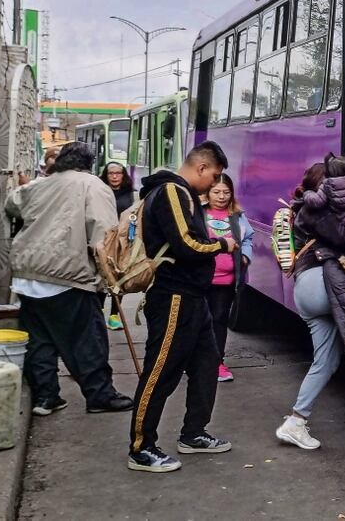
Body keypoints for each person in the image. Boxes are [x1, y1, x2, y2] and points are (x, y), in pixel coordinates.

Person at [127, 141, 238, 474]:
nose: (215, 184)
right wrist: (222, 244)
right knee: (161, 371)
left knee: (206, 364)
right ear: (202, 168)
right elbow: (185, 244)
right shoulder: (174, 192)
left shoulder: (178, 193)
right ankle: (141, 447)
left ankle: (193, 434)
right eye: (214, 175)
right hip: (174, 296)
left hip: (193, 297)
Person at [6, 142, 134, 417]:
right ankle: (99, 395)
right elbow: (103, 233)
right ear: (89, 163)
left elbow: (12, 203)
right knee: (87, 339)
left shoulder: (40, 184)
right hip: (68, 274)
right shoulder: (92, 185)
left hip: (29, 273)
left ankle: (46, 396)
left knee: (40, 340)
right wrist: (111, 273)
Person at [276, 157, 345, 451]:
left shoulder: (307, 208)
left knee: (326, 361)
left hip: (307, 292)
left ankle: (295, 421)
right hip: (319, 283)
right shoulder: (315, 211)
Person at [203, 173, 254, 383]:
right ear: (207, 193)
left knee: (219, 321)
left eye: (226, 192)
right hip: (201, 280)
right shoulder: (198, 213)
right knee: (197, 322)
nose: (221, 196)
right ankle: (196, 361)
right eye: (216, 192)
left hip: (226, 282)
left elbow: (249, 237)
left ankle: (217, 363)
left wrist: (245, 256)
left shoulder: (238, 215)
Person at [99, 161, 136, 331]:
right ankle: (99, 312)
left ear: (123, 175)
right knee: (100, 276)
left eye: (118, 173)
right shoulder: (100, 191)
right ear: (106, 175)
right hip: (103, 240)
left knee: (119, 277)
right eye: (111, 173)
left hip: (123, 242)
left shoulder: (132, 195)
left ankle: (114, 316)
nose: (114, 176)